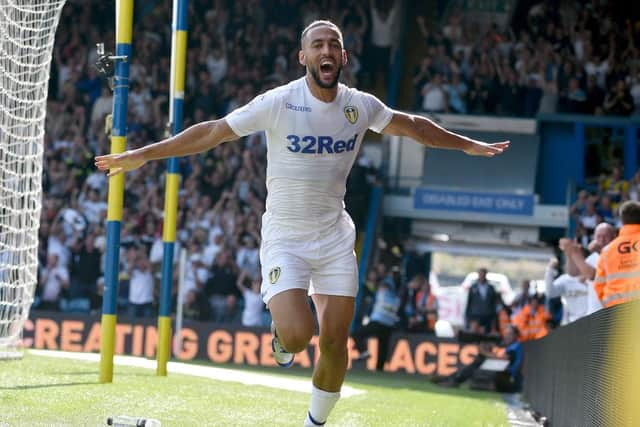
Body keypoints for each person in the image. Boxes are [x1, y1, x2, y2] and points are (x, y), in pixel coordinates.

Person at [95, 20, 509, 426]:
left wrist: (467, 144)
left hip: (333, 238)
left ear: (343, 56)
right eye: (318, 45)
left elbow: (414, 127)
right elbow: (215, 132)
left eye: (334, 44)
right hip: (285, 238)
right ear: (303, 56)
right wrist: (145, 154)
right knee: (298, 335)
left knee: (334, 341)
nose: (326, 51)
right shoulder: (279, 102)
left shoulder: (360, 105)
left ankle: (315, 423)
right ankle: (282, 336)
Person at [433, 325, 523, 393]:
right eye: (506, 333)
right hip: (500, 375)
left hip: (508, 379)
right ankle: (452, 378)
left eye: (510, 334)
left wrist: (484, 352)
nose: (507, 336)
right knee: (479, 360)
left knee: (480, 360)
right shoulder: (507, 345)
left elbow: (503, 359)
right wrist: (485, 350)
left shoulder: (516, 346)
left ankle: (454, 379)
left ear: (515, 335)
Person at [594, 201, 640, 308]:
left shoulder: (607, 251)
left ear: (622, 220)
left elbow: (598, 284)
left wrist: (608, 304)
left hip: (616, 312)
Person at [465, 268, 499, 334]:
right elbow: (469, 302)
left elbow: (493, 303)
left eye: (483, 274)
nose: (482, 276)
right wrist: (468, 315)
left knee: (485, 333)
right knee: (474, 332)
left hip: (487, 315)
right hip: (475, 314)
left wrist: (493, 315)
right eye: (480, 274)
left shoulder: (491, 288)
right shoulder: (473, 287)